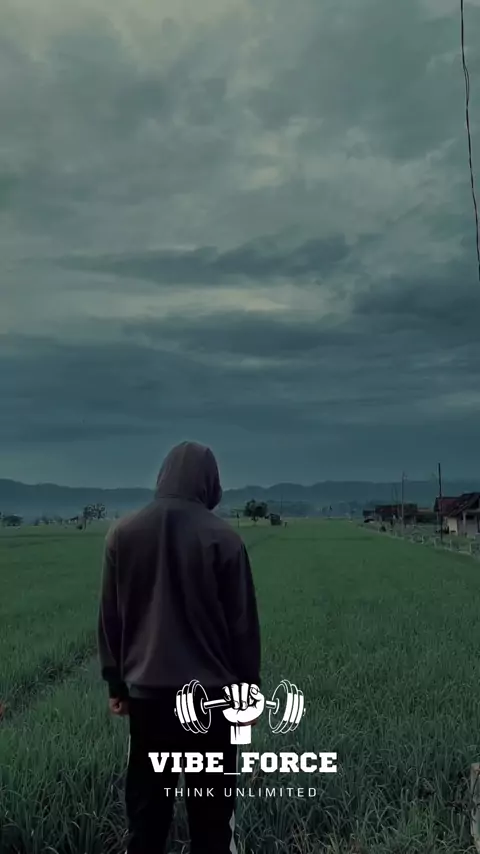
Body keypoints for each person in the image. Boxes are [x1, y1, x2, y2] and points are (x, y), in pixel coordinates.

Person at [97, 441, 261, 854]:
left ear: (163, 476)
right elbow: (242, 628)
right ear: (210, 482)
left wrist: (116, 683)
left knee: (147, 819)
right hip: (212, 704)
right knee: (212, 823)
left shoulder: (123, 534)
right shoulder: (224, 539)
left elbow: (110, 616)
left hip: (148, 701)